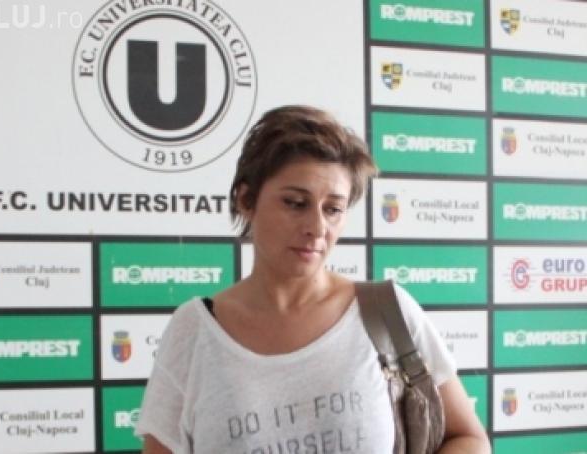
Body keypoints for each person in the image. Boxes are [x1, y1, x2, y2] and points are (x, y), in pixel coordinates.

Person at [135, 105, 491, 453]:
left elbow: (470, 439)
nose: (317, 228)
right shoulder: (194, 331)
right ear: (246, 199)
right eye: (295, 203)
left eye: (333, 209)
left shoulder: (385, 311)